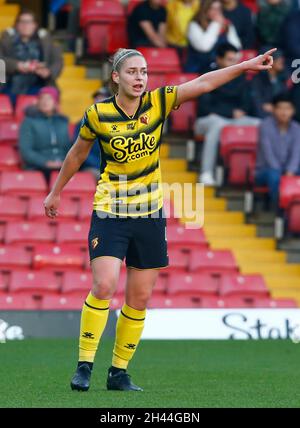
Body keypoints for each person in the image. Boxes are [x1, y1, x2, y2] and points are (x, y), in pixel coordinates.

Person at [44, 46, 276, 392]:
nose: (140, 78)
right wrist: (56, 191)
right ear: (117, 77)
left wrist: (246, 66)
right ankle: (85, 365)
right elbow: (78, 153)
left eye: (144, 72)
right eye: (133, 72)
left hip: (150, 212)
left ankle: (119, 373)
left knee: (138, 297)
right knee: (105, 285)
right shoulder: (97, 114)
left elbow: (204, 83)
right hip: (111, 209)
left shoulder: (160, 101)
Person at [194, 43, 260, 185]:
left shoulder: (240, 77)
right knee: (216, 124)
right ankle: (206, 173)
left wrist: (240, 111)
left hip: (232, 121)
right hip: (206, 121)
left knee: (260, 125)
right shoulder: (207, 75)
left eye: (235, 60)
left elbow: (246, 103)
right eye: (230, 60)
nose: (234, 64)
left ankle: (256, 173)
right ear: (218, 59)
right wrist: (230, 112)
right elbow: (204, 107)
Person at [0, 9, 63, 104]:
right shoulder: (6, 40)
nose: (25, 25)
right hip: (10, 83)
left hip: (38, 84)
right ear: (17, 24)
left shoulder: (46, 41)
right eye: (22, 22)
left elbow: (57, 62)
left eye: (29, 22)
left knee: (46, 99)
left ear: (35, 25)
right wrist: (17, 65)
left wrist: (47, 72)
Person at [255, 93, 300, 209]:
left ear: (293, 110)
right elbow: (267, 153)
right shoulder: (265, 126)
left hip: (288, 169)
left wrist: (290, 170)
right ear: (274, 110)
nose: (284, 112)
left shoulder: (296, 128)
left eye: (288, 108)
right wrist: (282, 173)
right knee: (274, 176)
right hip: (265, 169)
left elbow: (296, 153)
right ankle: (281, 210)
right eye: (280, 108)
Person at [19, 86, 70, 181]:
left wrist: (66, 162)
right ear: (38, 102)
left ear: (56, 103)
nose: (45, 101)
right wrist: (45, 162)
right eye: (42, 98)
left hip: (62, 166)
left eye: (49, 98)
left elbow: (69, 147)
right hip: (38, 167)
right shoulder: (29, 121)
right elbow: (26, 151)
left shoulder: (63, 122)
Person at [185, 0, 241, 73]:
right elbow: (204, 47)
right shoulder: (194, 24)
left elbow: (236, 48)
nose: (216, 12)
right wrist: (215, 24)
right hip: (198, 69)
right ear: (205, 9)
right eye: (212, 8)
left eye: (218, 9)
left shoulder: (226, 25)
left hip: (220, 68)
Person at [73, 86, 112, 181]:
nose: (100, 101)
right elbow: (80, 151)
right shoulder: (83, 123)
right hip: (91, 167)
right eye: (97, 98)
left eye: (103, 98)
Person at [250, 49, 290, 119]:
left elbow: (285, 99)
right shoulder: (258, 79)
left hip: (279, 115)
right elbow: (256, 100)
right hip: (260, 116)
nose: (282, 62)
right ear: (270, 62)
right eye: (279, 61)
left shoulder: (282, 79)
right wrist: (264, 105)